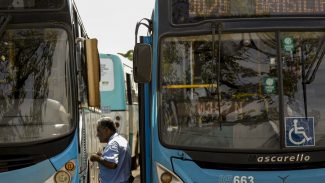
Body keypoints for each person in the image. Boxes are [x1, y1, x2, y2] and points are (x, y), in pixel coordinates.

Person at [90, 117, 132, 183]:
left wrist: (97, 158)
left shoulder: (113, 143)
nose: (97, 135)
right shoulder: (120, 140)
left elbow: (112, 164)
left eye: (98, 131)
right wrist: (102, 156)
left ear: (107, 130)